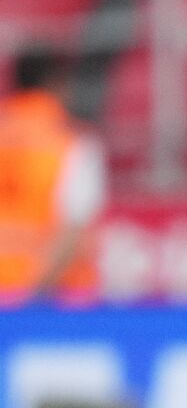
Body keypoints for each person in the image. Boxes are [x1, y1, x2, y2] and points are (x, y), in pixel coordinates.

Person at [0, 45, 107, 307]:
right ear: (57, 82)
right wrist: (30, 298)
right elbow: (72, 232)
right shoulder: (74, 143)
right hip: (55, 302)